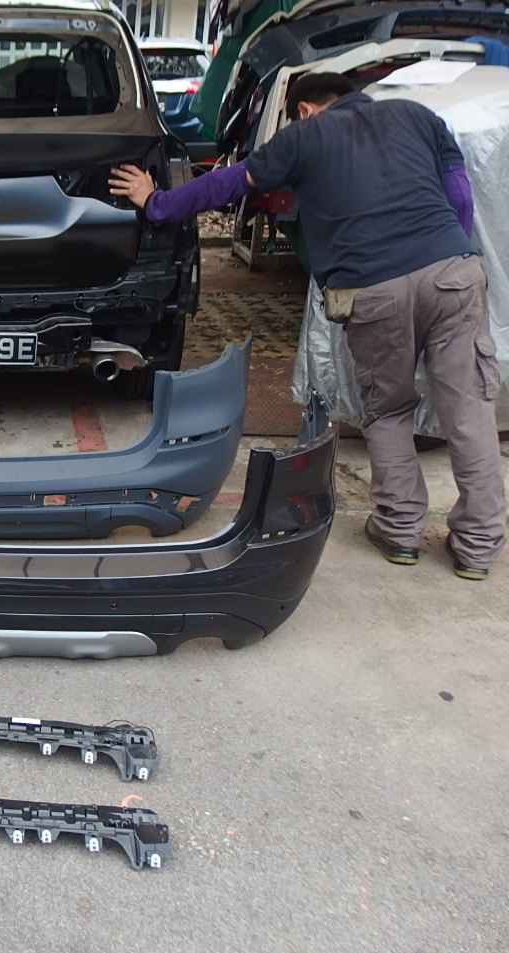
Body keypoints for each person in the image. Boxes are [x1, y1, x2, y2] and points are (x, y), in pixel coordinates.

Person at [109, 72, 505, 580]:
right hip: (453, 273)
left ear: (304, 109)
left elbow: (229, 183)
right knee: (469, 409)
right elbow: (460, 198)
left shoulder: (303, 137)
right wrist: (450, 257)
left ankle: (401, 531)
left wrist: (156, 201)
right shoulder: (419, 116)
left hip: (374, 286)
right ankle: (477, 546)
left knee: (388, 410)